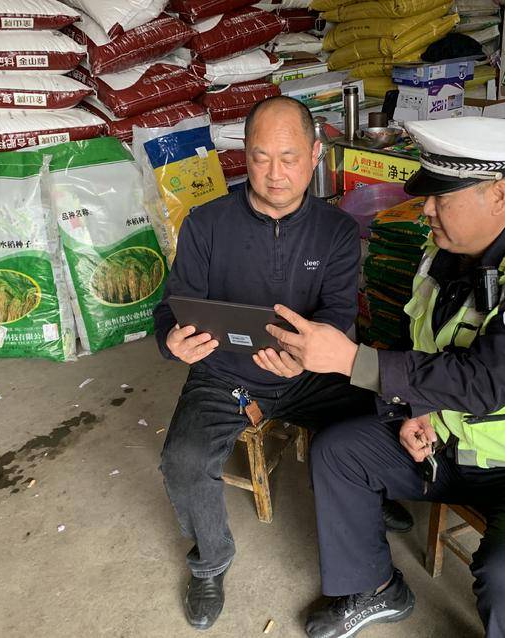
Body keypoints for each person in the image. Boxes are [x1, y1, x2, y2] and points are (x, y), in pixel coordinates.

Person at [266, 117, 505, 638]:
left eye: (441, 197)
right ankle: (377, 589)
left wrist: (352, 359)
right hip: (452, 438)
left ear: (498, 195)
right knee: (338, 452)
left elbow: (483, 382)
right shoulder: (444, 253)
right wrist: (420, 409)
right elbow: (431, 348)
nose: (426, 209)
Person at [152, 96, 412, 632]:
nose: (275, 174)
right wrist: (171, 341)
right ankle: (210, 562)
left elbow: (338, 314)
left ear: (315, 154)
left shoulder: (337, 230)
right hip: (225, 376)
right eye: (260, 158)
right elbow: (173, 307)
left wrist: (306, 356)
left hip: (310, 373)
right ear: (244, 155)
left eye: (289, 158)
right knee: (183, 460)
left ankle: (369, 496)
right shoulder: (206, 224)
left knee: (382, 408)